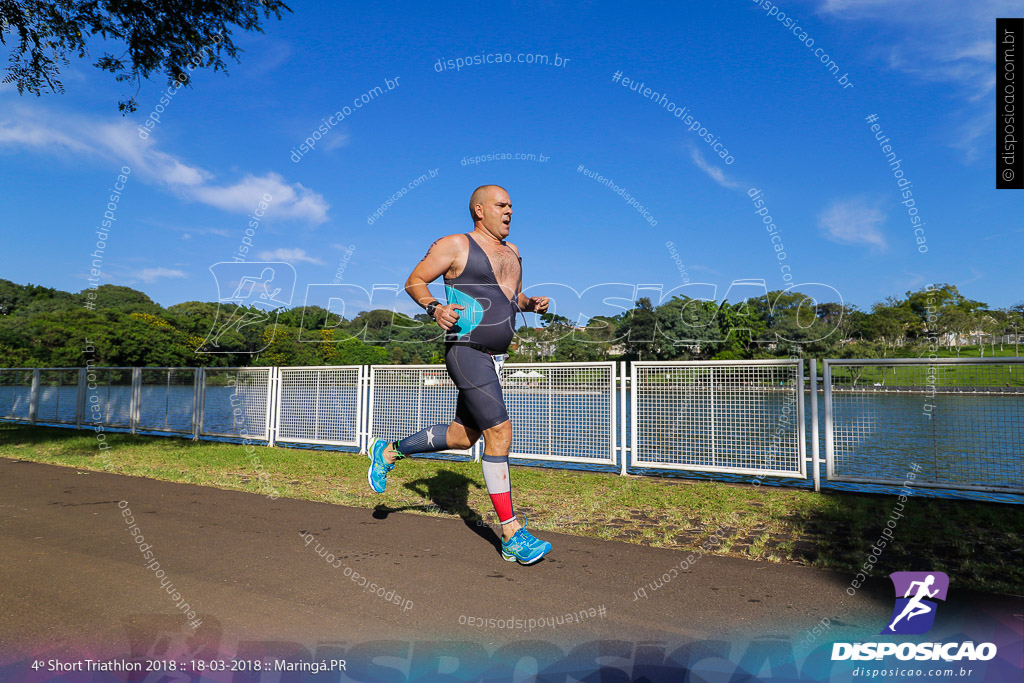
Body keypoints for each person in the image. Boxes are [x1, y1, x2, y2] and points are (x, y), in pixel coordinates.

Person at [367, 185, 553, 565]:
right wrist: (435, 308)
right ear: (480, 210)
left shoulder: (514, 252)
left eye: (512, 206)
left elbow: (509, 296)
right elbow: (414, 281)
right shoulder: (455, 245)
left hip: (494, 358)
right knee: (499, 431)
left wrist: (530, 304)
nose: (510, 212)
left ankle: (388, 451)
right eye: (502, 205)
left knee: (461, 437)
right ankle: (511, 533)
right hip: (466, 350)